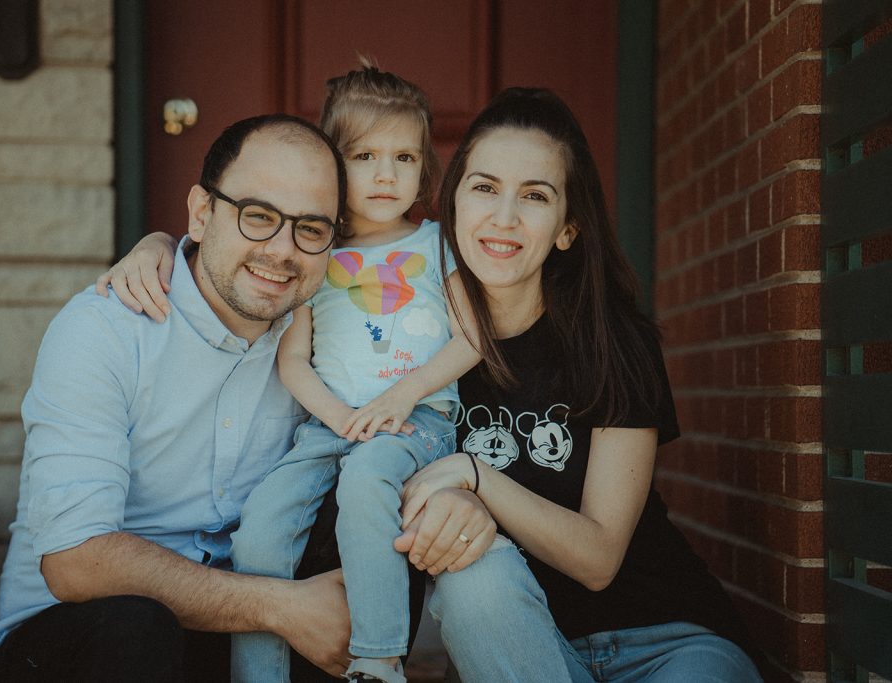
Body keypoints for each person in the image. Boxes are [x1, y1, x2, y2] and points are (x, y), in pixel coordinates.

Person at [111, 88, 763, 683]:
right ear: (450, 204)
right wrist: (165, 246)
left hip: (669, 641)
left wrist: (475, 478)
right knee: (472, 565)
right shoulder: (412, 341)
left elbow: (598, 558)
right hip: (522, 646)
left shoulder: (612, 343)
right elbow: (258, 270)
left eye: (535, 195)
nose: (504, 216)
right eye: (484, 188)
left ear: (568, 226)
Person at [102, 62, 481, 683]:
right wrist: (337, 417)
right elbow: (292, 359)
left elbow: (473, 339)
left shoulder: (438, 244)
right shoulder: (315, 250)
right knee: (260, 533)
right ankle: (259, 674)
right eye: (364, 156)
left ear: (423, 167)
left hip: (416, 424)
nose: (387, 175)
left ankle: (379, 660)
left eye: (405, 158)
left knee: (365, 488)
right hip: (329, 427)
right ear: (333, 169)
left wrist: (402, 396)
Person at [0, 114, 360, 682]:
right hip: (77, 639)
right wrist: (283, 608)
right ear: (202, 214)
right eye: (258, 217)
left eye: (311, 228)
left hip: (225, 630)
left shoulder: (324, 336)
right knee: (140, 630)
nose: (283, 250)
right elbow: (77, 563)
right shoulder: (106, 330)